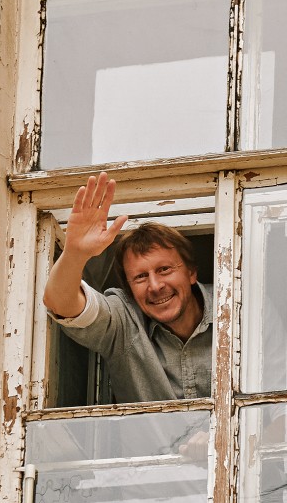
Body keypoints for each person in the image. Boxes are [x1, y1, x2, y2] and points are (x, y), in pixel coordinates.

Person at [42, 171, 212, 404]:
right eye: (140, 277)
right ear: (129, 288)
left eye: (164, 270)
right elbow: (60, 303)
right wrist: (75, 253)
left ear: (191, 273)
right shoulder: (125, 319)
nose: (155, 286)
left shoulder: (235, 304)